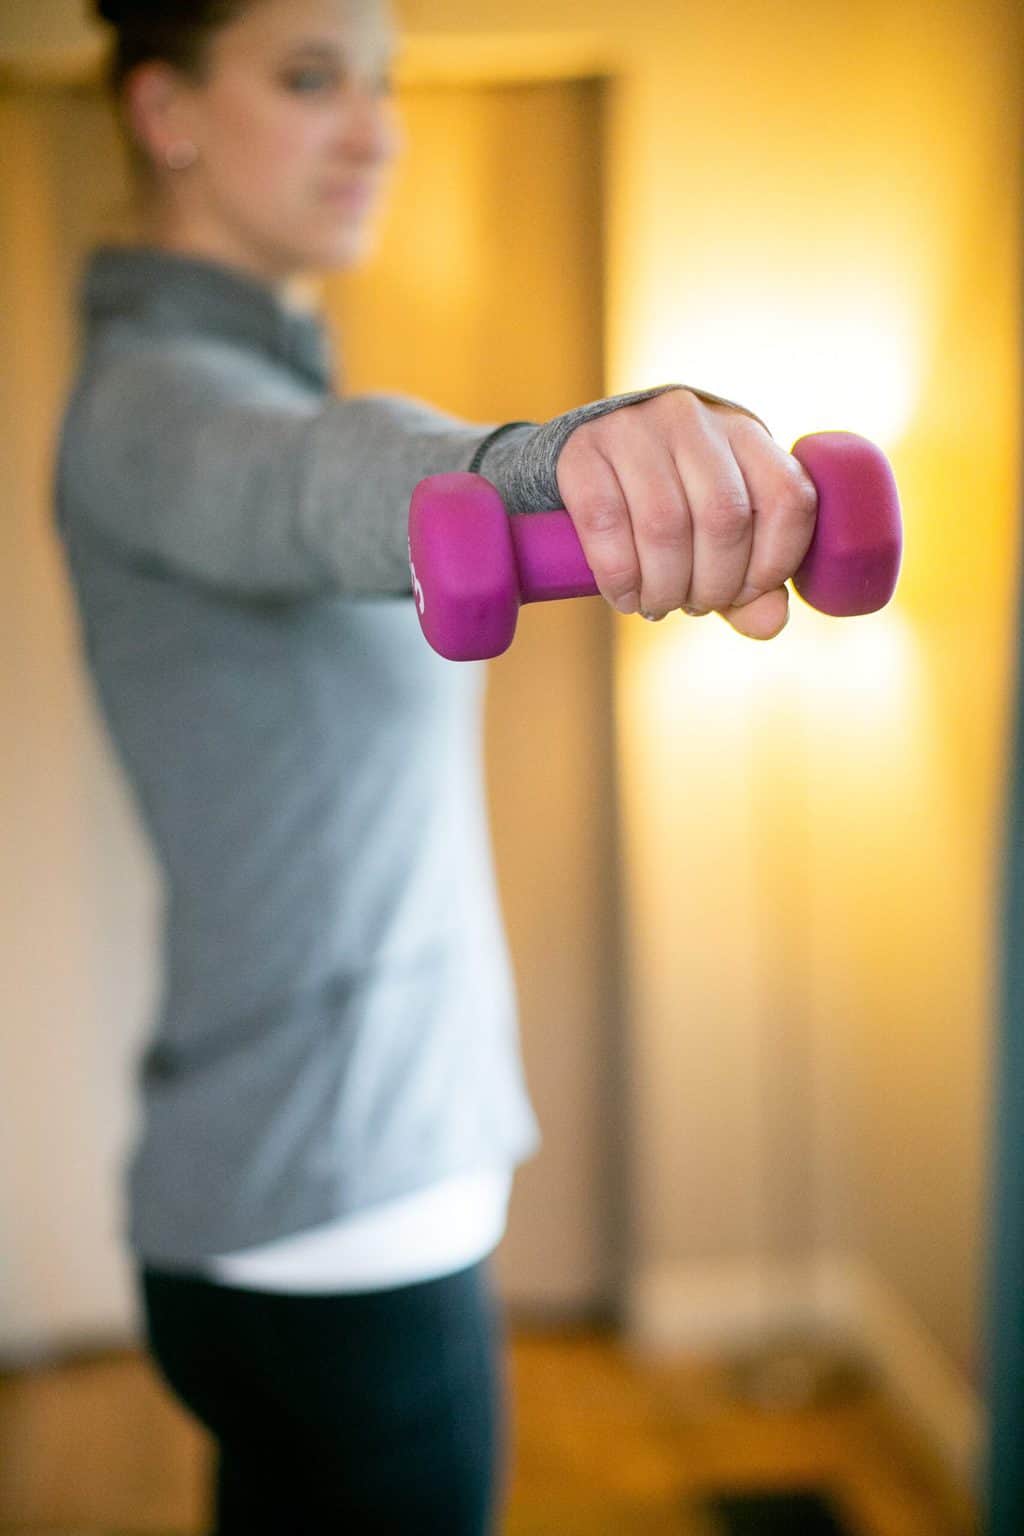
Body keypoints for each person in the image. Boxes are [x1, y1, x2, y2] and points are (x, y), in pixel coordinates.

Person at [55, 0, 819, 1529]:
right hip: (344, 1217)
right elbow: (307, 482)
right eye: (308, 77)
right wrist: (547, 461)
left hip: (289, 1200)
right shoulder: (164, 403)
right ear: (165, 111)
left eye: (385, 82)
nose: (376, 128)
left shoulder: (220, 370)